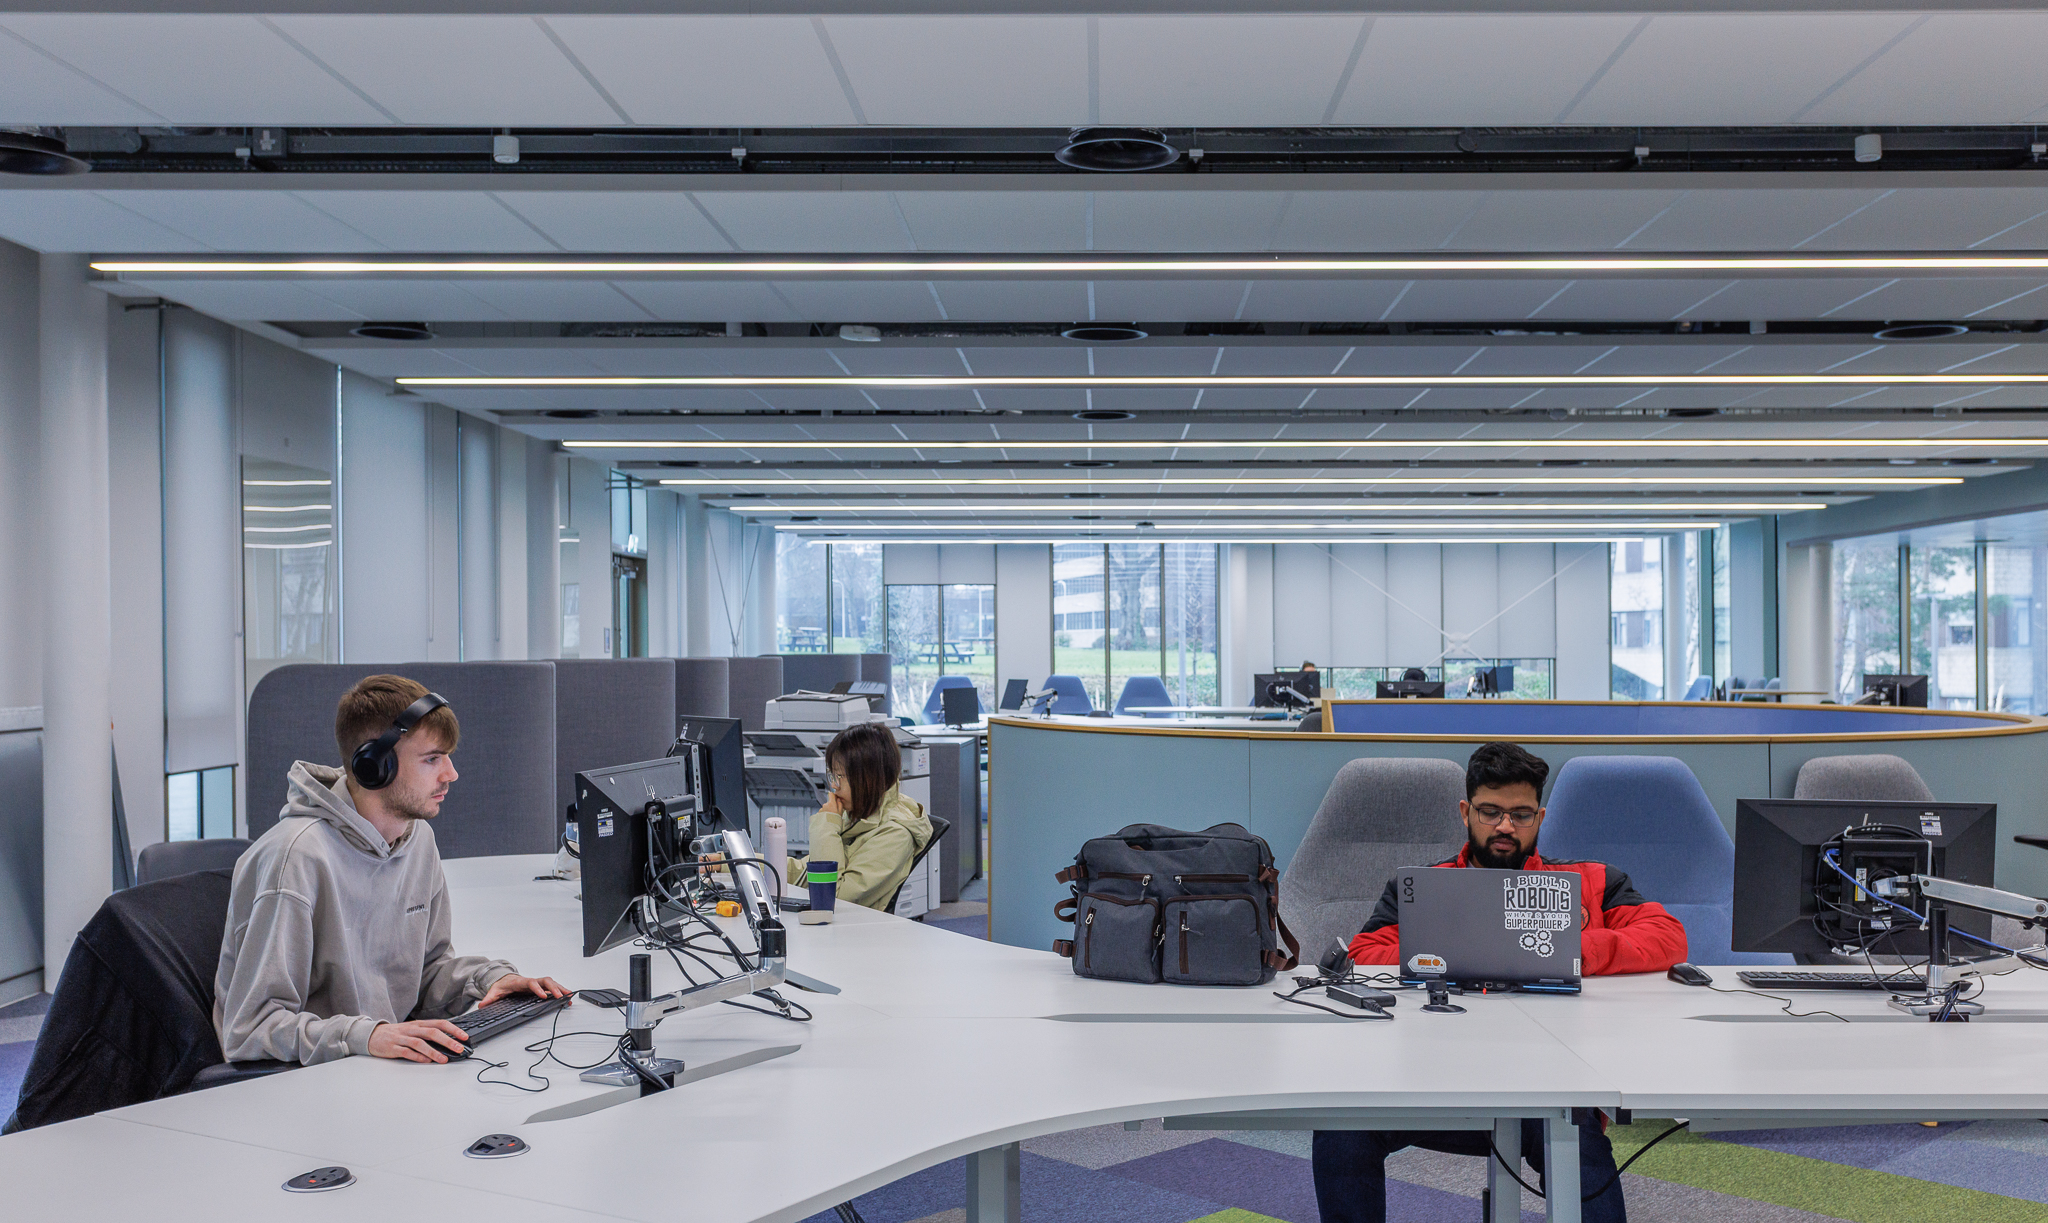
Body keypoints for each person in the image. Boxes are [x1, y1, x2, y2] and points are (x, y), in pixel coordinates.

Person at [1312, 742, 1688, 1223]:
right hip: (1432, 1080)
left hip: (1548, 1087)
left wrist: (1566, 950)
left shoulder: (1591, 881)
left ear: (1541, 816)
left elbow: (1667, 936)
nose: (1505, 826)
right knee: (1342, 1130)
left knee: (1579, 1147)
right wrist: (1465, 956)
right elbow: (1363, 954)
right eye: (1490, 812)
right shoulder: (1423, 888)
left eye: (1521, 814)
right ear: (1466, 811)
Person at [215, 675, 566, 1067]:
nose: (451, 774)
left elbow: (425, 973)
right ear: (374, 766)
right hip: (311, 1082)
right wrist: (369, 1035)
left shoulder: (418, 841)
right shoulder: (296, 860)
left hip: (382, 1069)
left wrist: (487, 980)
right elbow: (249, 1028)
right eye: (432, 758)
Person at [786, 721, 933, 910]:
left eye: (840, 777)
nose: (834, 787)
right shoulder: (862, 813)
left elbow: (832, 898)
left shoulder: (895, 834)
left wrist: (827, 826)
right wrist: (748, 863)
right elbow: (807, 872)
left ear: (868, 778)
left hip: (851, 931)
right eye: (833, 776)